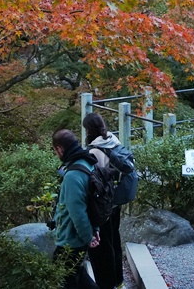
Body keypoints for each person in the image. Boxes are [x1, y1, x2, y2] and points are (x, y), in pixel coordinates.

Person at [51, 129, 100, 289]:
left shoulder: (73, 175)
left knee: (63, 280)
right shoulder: (87, 163)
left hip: (70, 240)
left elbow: (77, 213)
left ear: (59, 149)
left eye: (55, 151)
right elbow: (93, 202)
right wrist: (94, 230)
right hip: (80, 238)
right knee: (79, 276)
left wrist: (88, 237)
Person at [82, 113, 126, 289]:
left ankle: (107, 284)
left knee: (103, 246)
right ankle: (119, 280)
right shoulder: (114, 140)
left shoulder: (95, 150)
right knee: (115, 240)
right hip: (116, 200)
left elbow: (93, 180)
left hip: (103, 205)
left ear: (89, 130)